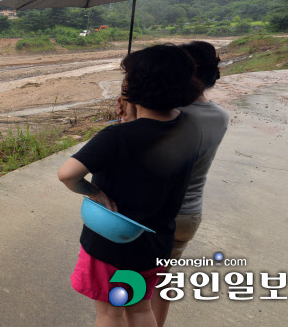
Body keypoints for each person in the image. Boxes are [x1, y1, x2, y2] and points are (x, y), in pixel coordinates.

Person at [58, 44, 203, 327]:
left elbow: (68, 174)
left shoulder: (116, 137)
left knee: (110, 312)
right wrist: (131, 119)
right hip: (156, 242)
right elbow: (148, 149)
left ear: (135, 85)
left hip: (112, 243)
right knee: (138, 308)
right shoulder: (191, 127)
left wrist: (94, 191)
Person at [150, 41, 229, 327]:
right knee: (163, 279)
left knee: (134, 285)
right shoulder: (221, 117)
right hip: (190, 214)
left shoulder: (169, 114)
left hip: (156, 214)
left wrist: (131, 113)